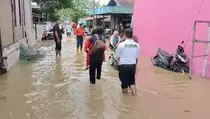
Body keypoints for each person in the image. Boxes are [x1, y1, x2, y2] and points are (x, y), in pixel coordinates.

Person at [116, 28, 140, 95]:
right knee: (132, 81)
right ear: (132, 35)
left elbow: (117, 56)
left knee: (124, 82)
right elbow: (137, 56)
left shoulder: (121, 45)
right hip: (132, 65)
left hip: (123, 65)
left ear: (125, 35)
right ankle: (134, 96)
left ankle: (125, 98)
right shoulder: (137, 45)